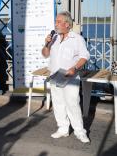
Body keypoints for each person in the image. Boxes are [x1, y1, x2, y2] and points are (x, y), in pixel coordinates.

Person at [42, 11, 90, 143]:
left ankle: (80, 132)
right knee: (58, 104)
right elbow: (45, 54)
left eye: (58, 22)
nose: (55, 24)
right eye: (56, 22)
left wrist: (74, 68)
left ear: (67, 24)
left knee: (72, 104)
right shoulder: (54, 38)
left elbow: (84, 56)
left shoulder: (77, 39)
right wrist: (46, 44)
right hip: (55, 76)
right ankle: (63, 129)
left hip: (70, 77)